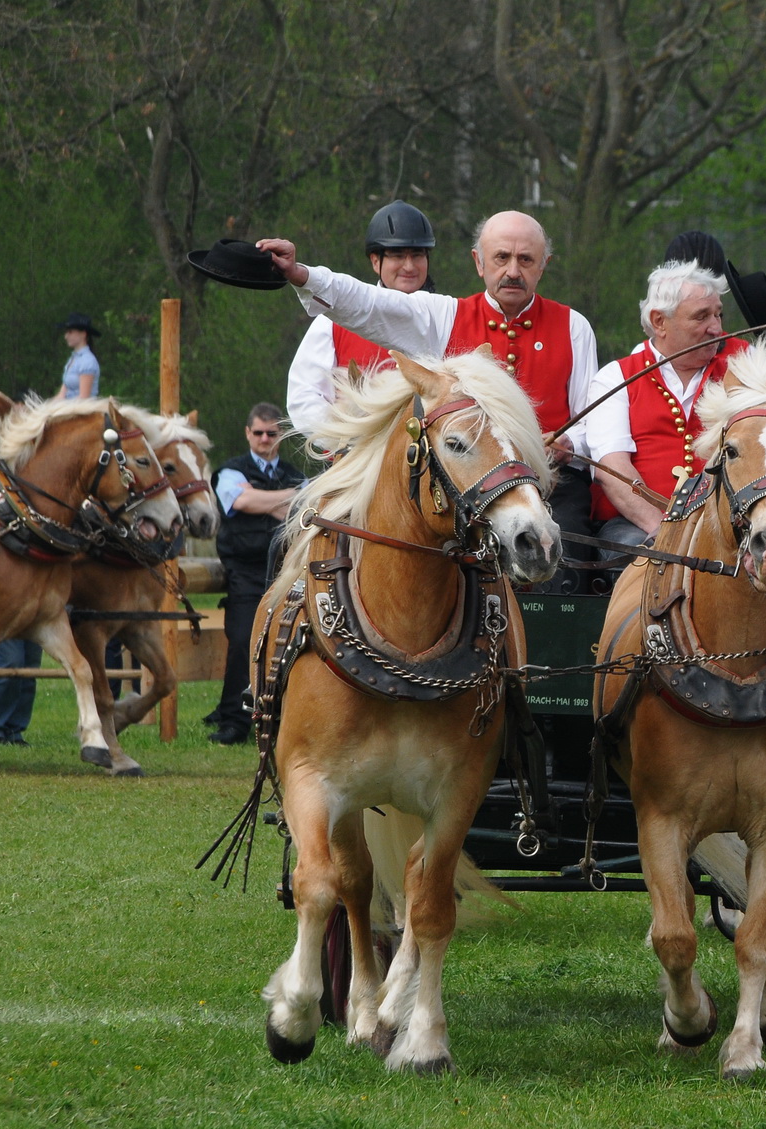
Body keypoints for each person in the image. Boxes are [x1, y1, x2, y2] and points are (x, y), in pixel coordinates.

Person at [255, 211, 598, 546]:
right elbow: (370, 303)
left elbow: (592, 425)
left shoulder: (574, 327)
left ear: (543, 265)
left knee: (568, 553)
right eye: (501, 257)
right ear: (479, 263)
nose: (512, 271)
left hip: (551, 483)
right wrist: (302, 274)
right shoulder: (444, 314)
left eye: (525, 259)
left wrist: (569, 444)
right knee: (304, 537)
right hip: (469, 484)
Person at [585, 262, 736, 545]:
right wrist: (666, 532)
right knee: (641, 555)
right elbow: (612, 469)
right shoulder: (615, 378)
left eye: (718, 315)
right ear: (659, 322)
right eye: (701, 316)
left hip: (724, 526)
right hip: (635, 526)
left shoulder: (739, 376)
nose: (716, 328)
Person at [286, 200, 438, 437]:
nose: (409, 266)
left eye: (417, 255)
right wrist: (343, 440)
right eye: (398, 255)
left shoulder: (446, 318)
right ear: (376, 261)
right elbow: (303, 396)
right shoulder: (333, 320)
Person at [206, 404, 306, 744]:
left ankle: (278, 718)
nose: (265, 439)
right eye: (258, 433)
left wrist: (260, 498)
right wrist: (289, 499)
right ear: (248, 433)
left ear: (281, 435)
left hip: (287, 572)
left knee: (291, 643)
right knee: (242, 642)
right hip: (245, 574)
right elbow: (240, 502)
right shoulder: (229, 471)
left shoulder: (295, 473)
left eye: (271, 433)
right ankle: (234, 722)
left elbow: (304, 509)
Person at [58, 314, 101, 399]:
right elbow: (61, 395)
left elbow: (83, 398)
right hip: (69, 405)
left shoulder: (87, 361)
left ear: (83, 334)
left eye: (70, 332)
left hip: (82, 407)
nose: (66, 336)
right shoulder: (73, 359)